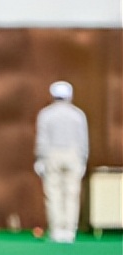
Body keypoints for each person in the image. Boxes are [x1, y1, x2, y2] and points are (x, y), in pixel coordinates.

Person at [34, 80, 89, 244]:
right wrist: (83, 159)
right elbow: (83, 140)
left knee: (53, 193)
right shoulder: (78, 114)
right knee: (72, 194)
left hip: (52, 155)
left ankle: (57, 230)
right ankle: (69, 230)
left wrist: (40, 159)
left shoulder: (46, 114)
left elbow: (42, 139)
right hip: (73, 155)